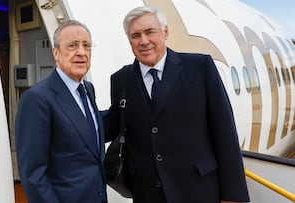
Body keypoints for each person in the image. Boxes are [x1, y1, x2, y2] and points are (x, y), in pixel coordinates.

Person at [103, 6, 250, 203]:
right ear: (130, 40)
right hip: (148, 193)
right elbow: (112, 123)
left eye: (150, 32)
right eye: (136, 35)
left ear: (165, 32)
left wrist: (234, 195)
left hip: (199, 190)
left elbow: (225, 133)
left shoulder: (200, 68)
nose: (144, 41)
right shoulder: (121, 79)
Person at [15, 20, 107, 203]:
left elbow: (85, 132)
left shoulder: (88, 89)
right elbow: (33, 175)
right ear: (56, 53)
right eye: (72, 45)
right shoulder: (37, 99)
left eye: (86, 45)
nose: (81, 52)